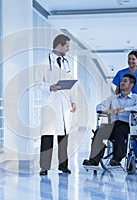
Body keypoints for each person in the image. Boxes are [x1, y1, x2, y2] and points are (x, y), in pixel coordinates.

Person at [34, 34, 77, 176]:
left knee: (63, 136)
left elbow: (71, 84)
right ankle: (44, 167)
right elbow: (37, 83)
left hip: (64, 104)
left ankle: (63, 166)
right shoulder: (43, 62)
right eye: (67, 46)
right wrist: (49, 87)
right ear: (59, 46)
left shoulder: (67, 63)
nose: (68, 49)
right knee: (47, 136)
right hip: (50, 104)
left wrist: (73, 101)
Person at [83, 74, 137, 167]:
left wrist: (124, 109)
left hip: (127, 125)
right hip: (112, 124)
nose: (121, 83)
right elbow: (99, 107)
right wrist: (108, 110)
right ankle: (93, 161)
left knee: (119, 131)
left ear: (131, 85)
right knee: (99, 132)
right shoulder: (113, 98)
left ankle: (117, 159)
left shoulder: (136, 98)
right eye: (121, 81)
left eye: (125, 81)